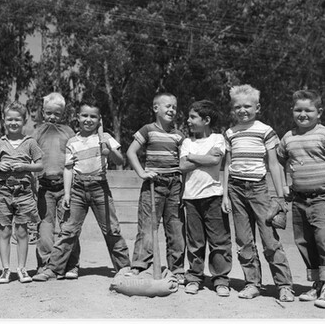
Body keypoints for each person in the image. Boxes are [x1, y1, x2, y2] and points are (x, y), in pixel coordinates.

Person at [32, 98, 132, 281]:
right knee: (68, 230)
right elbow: (68, 168)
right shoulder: (72, 141)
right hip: (77, 188)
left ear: (99, 119)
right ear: (78, 117)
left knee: (112, 228)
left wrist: (109, 150)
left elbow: (120, 160)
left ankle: (123, 266)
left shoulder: (105, 138)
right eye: (84, 115)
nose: (88, 119)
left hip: (99, 186)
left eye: (93, 117)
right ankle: (53, 269)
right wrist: (67, 193)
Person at [276, 90, 325, 309]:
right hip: (299, 199)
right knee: (304, 242)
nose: (303, 114)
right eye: (298, 110)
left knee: (324, 239)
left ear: (319, 112)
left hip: (324, 199)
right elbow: (278, 161)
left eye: (309, 110)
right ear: (292, 111)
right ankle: (318, 283)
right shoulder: (288, 137)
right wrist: (284, 187)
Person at [222, 84, 294, 301]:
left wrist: (280, 194)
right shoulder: (230, 133)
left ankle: (284, 285)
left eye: (247, 106)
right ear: (232, 109)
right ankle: (252, 283)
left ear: (257, 107)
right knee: (244, 240)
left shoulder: (265, 130)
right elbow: (227, 165)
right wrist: (225, 195)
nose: (242, 110)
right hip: (235, 189)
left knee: (269, 239)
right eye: (237, 107)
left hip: (259, 189)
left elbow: (274, 164)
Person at [126, 92, 186, 283]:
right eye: (167, 106)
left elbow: (183, 162)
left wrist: (183, 186)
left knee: (175, 228)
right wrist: (142, 173)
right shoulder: (148, 130)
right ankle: (139, 266)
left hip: (175, 185)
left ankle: (176, 269)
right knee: (147, 227)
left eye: (174, 107)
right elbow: (131, 152)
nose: (172, 110)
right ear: (155, 108)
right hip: (153, 185)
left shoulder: (178, 135)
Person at [178, 99, 232, 296]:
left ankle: (221, 280)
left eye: (193, 117)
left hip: (214, 197)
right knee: (195, 241)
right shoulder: (186, 142)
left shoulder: (218, 139)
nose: (188, 121)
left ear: (206, 120)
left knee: (219, 240)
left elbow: (215, 160)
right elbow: (182, 166)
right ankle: (194, 277)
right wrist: (200, 159)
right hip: (191, 198)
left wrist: (192, 157)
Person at [0, 102, 44, 284]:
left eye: (17, 119)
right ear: (4, 120)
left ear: (24, 120)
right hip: (3, 192)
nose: (13, 122)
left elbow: (40, 164)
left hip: (23, 192)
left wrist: (25, 166)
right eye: (10, 119)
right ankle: (6, 270)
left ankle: (22, 269)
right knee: (4, 232)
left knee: (22, 232)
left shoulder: (30, 142)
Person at [33, 92, 80, 279]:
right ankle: (45, 264)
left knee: (69, 227)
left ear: (63, 114)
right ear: (43, 112)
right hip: (44, 188)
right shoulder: (36, 132)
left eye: (57, 114)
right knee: (45, 227)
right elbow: (30, 156)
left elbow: (75, 155)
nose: (52, 117)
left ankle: (71, 264)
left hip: (66, 187)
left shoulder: (68, 132)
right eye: (48, 113)